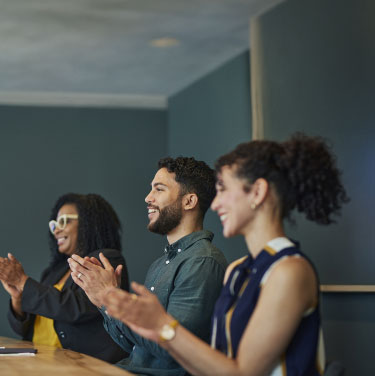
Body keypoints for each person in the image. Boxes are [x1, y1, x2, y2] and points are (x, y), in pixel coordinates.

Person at [101, 135, 349, 376]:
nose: (216, 204)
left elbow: (242, 371)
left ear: (257, 192)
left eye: (224, 189)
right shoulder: (237, 270)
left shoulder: (290, 271)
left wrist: (163, 327)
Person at [68, 156, 228, 376]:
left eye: (159, 189)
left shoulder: (202, 262)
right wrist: (104, 302)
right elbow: (136, 346)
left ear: (189, 201)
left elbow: (173, 350)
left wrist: (108, 295)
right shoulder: (159, 265)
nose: (147, 198)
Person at [0, 193, 129, 363]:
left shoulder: (106, 259)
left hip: (80, 365)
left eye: (64, 221)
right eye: (54, 225)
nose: (56, 230)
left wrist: (22, 282)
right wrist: (18, 298)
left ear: (88, 223)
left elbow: (77, 307)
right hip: (40, 360)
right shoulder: (53, 272)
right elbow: (24, 328)